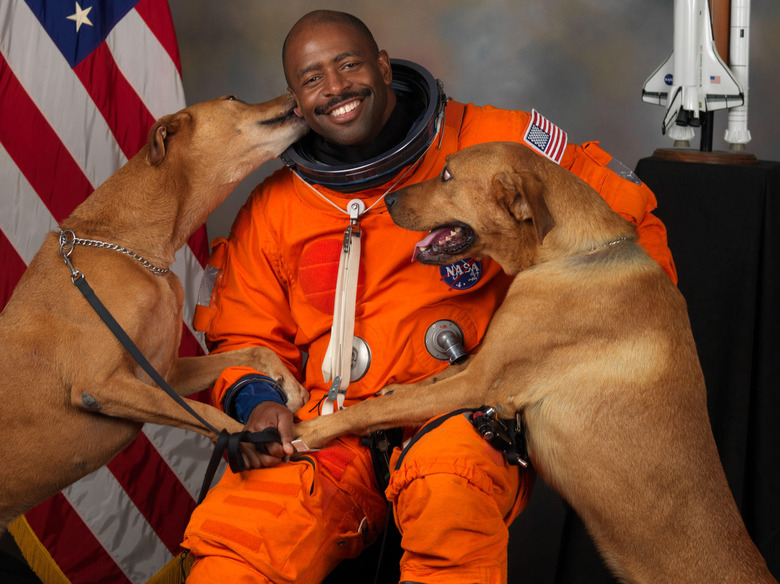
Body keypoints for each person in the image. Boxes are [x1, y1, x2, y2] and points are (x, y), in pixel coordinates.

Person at [182, 9, 677, 584]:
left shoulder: (497, 145)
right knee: (233, 547)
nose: (336, 88)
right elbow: (242, 333)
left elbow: (623, 223)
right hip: (328, 426)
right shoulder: (275, 208)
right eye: (313, 78)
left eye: (349, 65)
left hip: (463, 414)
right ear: (295, 99)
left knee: (450, 504)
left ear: (384, 66)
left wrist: (585, 367)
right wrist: (257, 404)